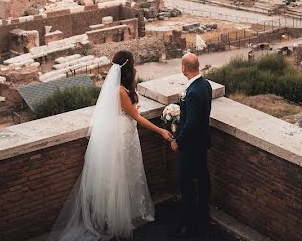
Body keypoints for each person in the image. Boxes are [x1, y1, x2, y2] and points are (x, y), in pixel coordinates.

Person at [48, 50, 174, 241]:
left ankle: (128, 213)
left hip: (126, 132)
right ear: (128, 67)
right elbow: (137, 117)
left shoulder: (122, 88)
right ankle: (116, 219)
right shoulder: (120, 91)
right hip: (122, 138)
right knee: (119, 177)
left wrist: (131, 110)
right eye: (133, 63)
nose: (136, 66)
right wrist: (161, 131)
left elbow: (127, 111)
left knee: (129, 174)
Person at [171, 53, 212, 238]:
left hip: (190, 146)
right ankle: (204, 215)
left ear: (184, 68)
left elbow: (192, 122)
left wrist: (178, 141)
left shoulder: (193, 91)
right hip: (202, 142)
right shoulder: (205, 85)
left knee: (186, 183)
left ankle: (189, 222)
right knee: (203, 179)